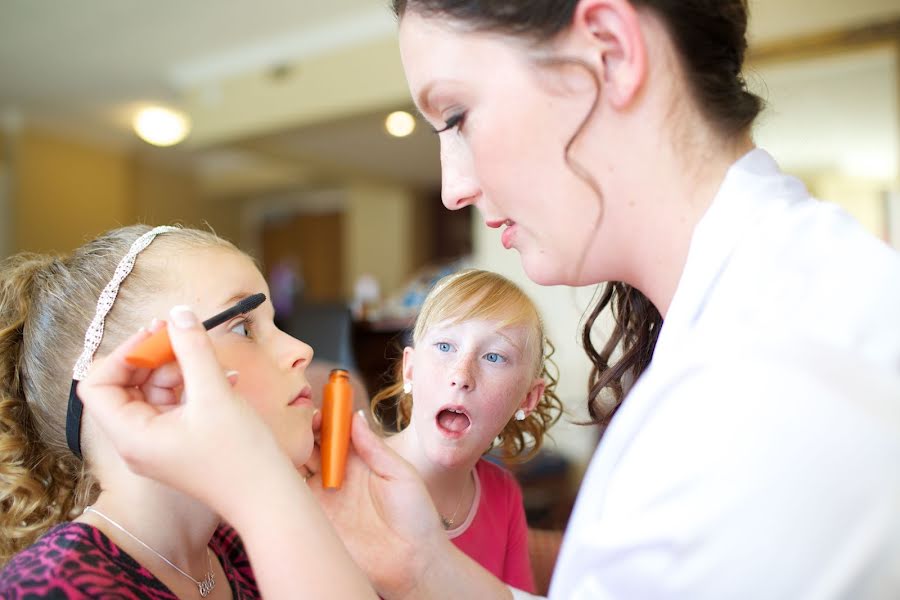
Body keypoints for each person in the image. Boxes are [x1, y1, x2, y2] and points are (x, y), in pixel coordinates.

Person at [77, 0, 900, 599]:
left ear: (608, 52)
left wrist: (263, 497)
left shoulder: (761, 393)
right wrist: (426, 565)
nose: (453, 188)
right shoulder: (771, 316)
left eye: (458, 113)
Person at [0, 224, 376, 599]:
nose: (302, 350)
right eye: (244, 327)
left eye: (275, 323)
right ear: (137, 376)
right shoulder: (53, 586)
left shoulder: (244, 549)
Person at [370, 269, 563, 592]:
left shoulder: (503, 495)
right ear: (410, 369)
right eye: (445, 347)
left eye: (493, 356)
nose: (462, 375)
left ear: (528, 398)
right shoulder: (353, 480)